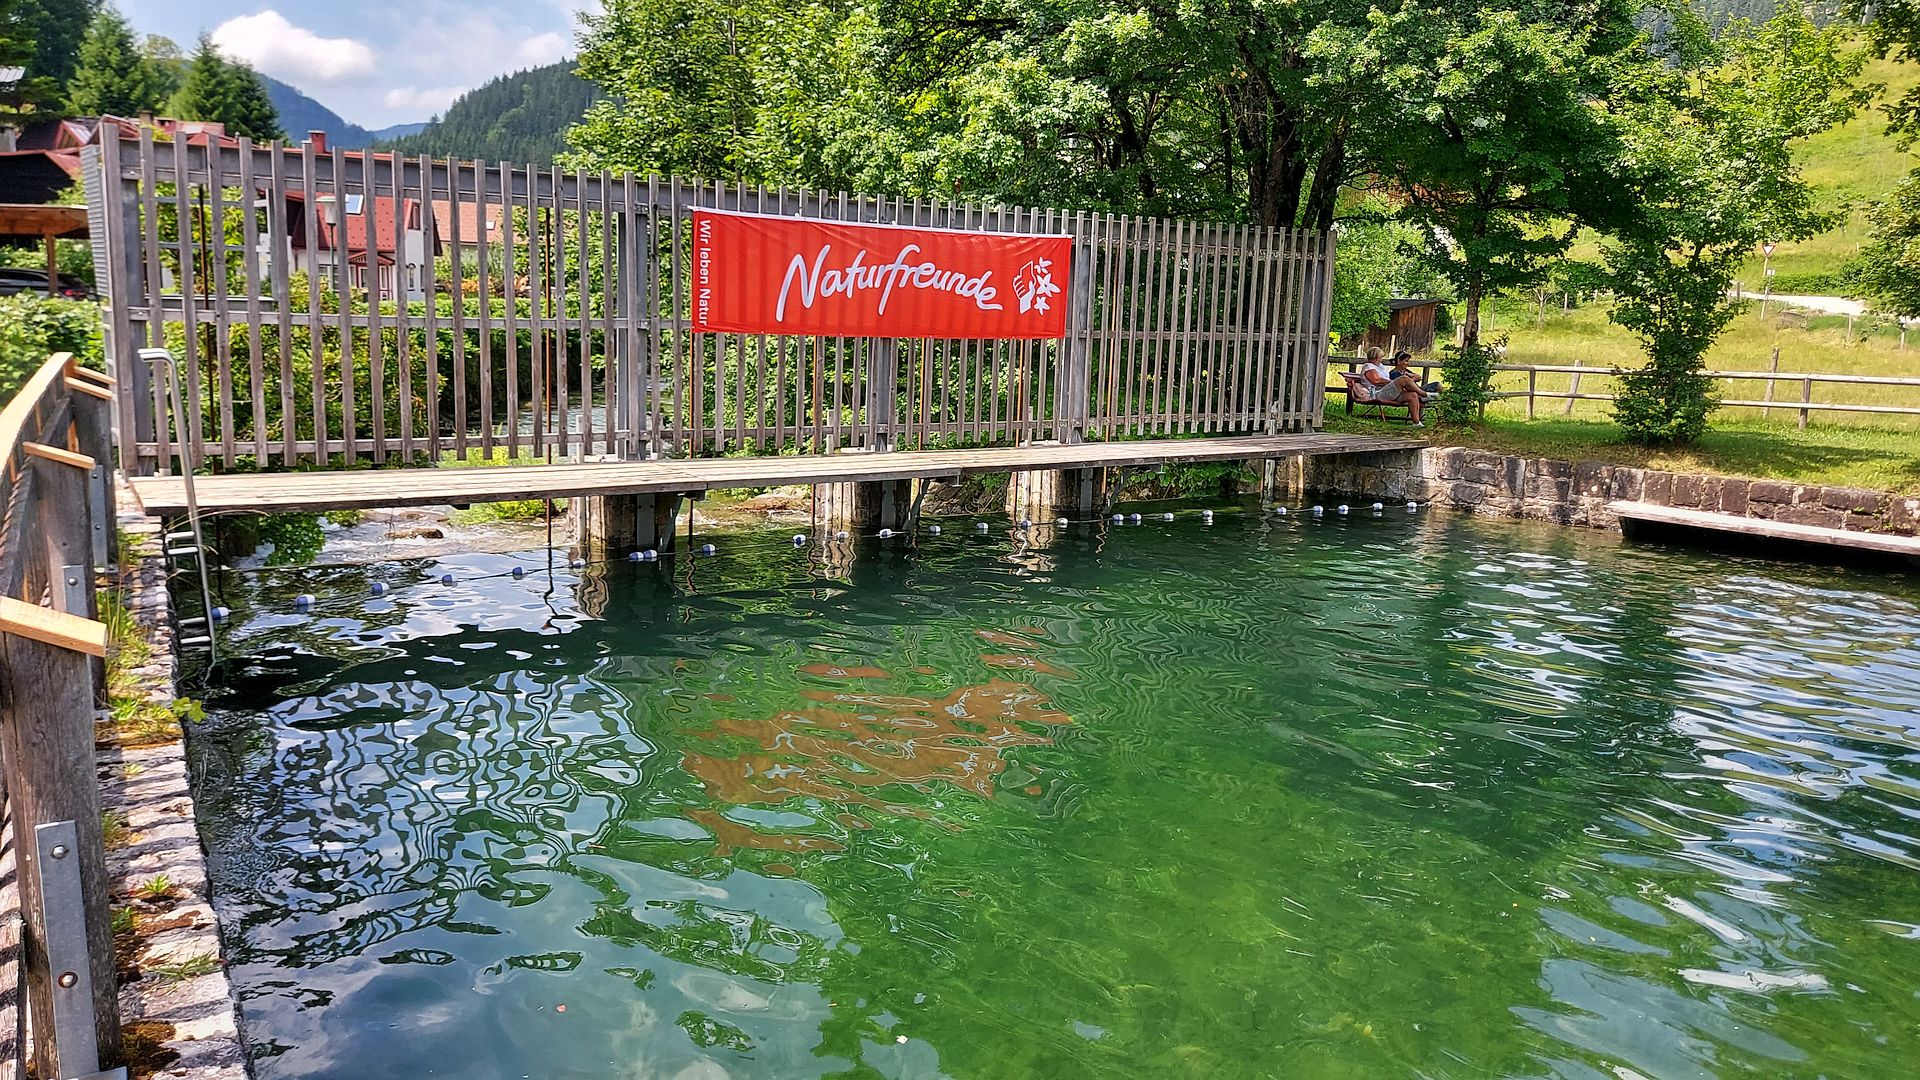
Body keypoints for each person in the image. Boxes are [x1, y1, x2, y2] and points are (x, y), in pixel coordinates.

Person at [1360, 346, 1428, 425]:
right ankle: (1424, 394)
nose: (1381, 358)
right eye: (1380, 356)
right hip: (1377, 393)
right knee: (1404, 379)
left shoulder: (1380, 366)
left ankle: (1416, 423)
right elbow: (1376, 380)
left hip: (1385, 391)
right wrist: (1393, 382)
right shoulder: (1368, 366)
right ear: (1376, 357)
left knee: (1413, 395)